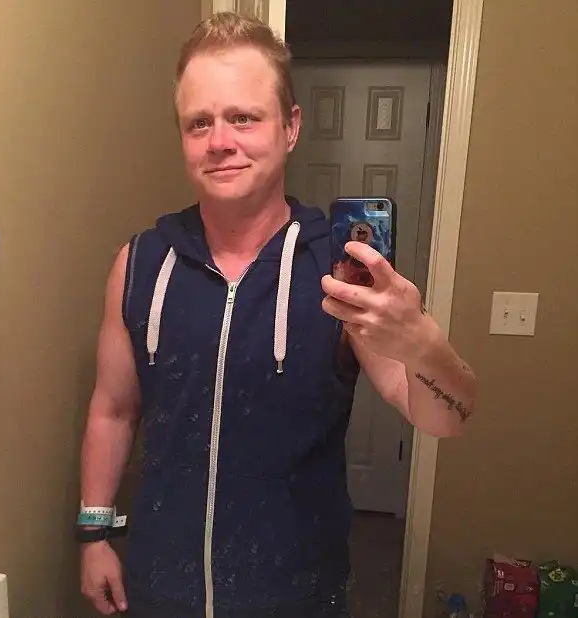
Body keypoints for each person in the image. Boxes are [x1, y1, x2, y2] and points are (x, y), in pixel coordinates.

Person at [78, 11, 477, 618]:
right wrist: (94, 534)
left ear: (290, 127)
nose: (220, 141)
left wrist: (422, 341)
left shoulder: (338, 272)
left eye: (244, 117)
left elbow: (450, 417)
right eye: (199, 122)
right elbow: (113, 409)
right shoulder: (140, 263)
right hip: (159, 587)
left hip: (297, 595)